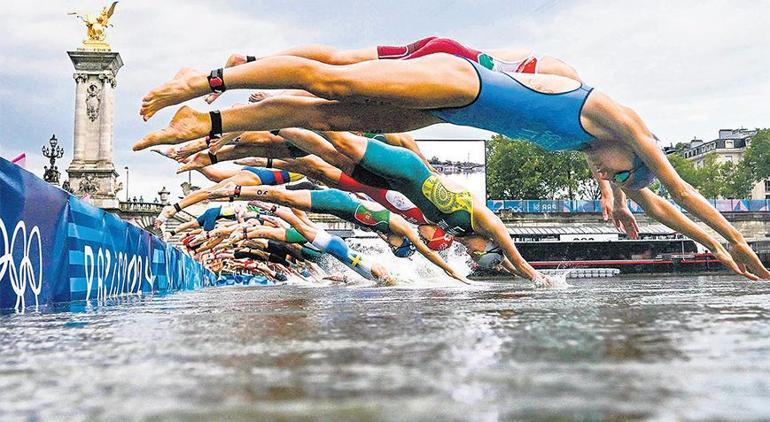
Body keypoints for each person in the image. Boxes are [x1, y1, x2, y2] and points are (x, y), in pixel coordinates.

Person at [135, 41, 769, 280]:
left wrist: (709, 249)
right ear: (632, 148)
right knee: (338, 83)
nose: (607, 178)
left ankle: (209, 124)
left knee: (325, 119)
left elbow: (660, 207)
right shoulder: (618, 121)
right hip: (465, 81)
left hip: (452, 111)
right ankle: (209, 82)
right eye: (613, 174)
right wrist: (738, 244)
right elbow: (683, 193)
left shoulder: (601, 156)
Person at [206, 183, 469, 283]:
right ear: (401, 240)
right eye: (395, 247)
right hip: (339, 205)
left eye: (393, 250)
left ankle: (263, 207)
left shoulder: (385, 233)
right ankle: (254, 200)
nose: (391, 246)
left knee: (298, 225)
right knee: (297, 221)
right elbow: (424, 250)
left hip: (338, 223)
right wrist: (450, 271)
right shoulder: (400, 227)